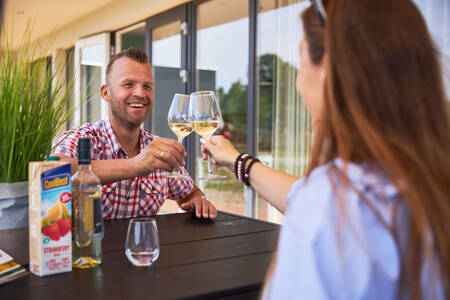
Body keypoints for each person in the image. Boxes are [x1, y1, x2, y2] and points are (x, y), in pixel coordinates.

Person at [201, 0, 449, 299]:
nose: (297, 82)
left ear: (329, 70)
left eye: (302, 59)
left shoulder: (333, 206)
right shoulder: (427, 184)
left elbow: (321, 204)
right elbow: (301, 194)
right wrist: (237, 161)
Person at [52, 48, 217, 220]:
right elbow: (52, 172)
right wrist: (135, 165)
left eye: (147, 86)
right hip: (90, 247)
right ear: (105, 93)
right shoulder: (83, 139)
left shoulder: (157, 149)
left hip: (145, 246)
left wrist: (199, 201)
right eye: (128, 84)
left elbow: (191, 194)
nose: (140, 93)